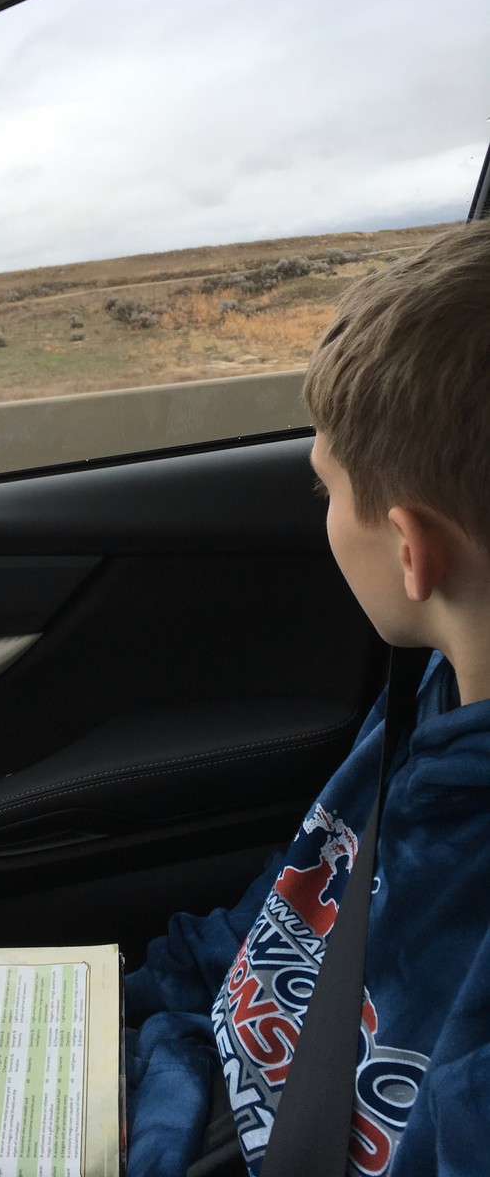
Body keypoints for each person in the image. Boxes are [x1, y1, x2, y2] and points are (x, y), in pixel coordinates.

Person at [124, 219, 490, 1177]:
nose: (322, 514)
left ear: (413, 550)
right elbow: (281, 920)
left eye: (327, 487)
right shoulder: (432, 696)